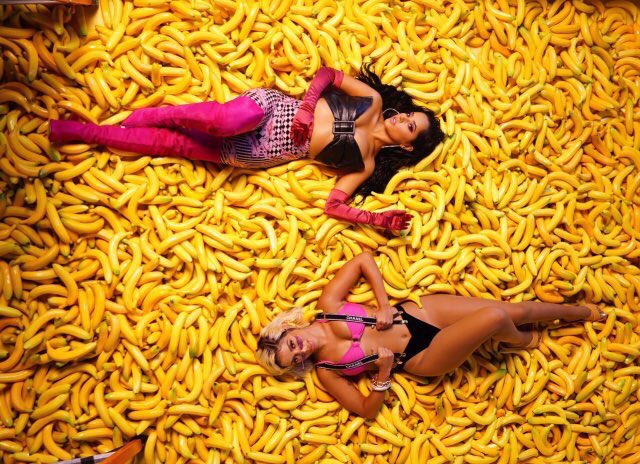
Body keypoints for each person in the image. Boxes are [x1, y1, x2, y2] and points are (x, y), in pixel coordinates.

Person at [48, 65, 445, 230]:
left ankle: (77, 132)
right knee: (222, 120)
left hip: (259, 153)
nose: (400, 120)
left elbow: (333, 206)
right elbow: (327, 74)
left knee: (168, 146)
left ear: (408, 148)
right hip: (272, 110)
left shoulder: (364, 164)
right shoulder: (373, 100)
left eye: (409, 127)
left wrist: (376, 219)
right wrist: (308, 106)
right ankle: (157, 113)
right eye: (407, 115)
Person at [256, 251, 607, 419]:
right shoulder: (327, 371)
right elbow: (366, 410)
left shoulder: (328, 304)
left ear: (288, 328)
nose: (301, 351)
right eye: (295, 359)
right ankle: (519, 341)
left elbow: (363, 259)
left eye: (292, 344)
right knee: (496, 317)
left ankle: (578, 312)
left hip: (419, 313)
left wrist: (383, 304)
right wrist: (382, 374)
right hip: (421, 356)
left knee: (515, 311)